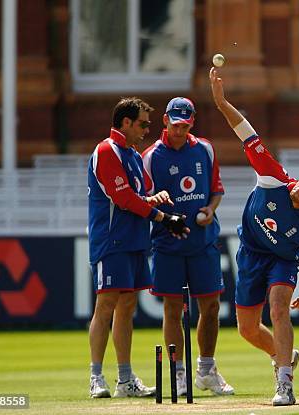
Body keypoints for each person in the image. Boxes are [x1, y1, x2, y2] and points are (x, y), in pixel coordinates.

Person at [209, 67, 299, 406]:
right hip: (250, 254)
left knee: (279, 309)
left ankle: (284, 383)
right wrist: (221, 102)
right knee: (247, 329)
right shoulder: (273, 177)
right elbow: (246, 133)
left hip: (282, 261)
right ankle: (284, 354)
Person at [87, 97, 188, 398]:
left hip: (134, 239)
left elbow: (142, 194)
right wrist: (161, 216)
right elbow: (124, 199)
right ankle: (95, 377)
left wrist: (158, 199)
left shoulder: (131, 154)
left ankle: (124, 379)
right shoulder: (107, 150)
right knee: (105, 305)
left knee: (127, 307)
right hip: (111, 239)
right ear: (126, 122)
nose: (147, 129)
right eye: (143, 123)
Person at [142, 97, 234, 396]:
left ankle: (206, 369)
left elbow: (216, 190)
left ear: (191, 122)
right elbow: (143, 201)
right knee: (172, 309)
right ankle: (178, 374)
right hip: (167, 244)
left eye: (185, 124)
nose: (180, 130)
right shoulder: (151, 156)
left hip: (203, 242)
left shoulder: (204, 149)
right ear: (165, 121)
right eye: (175, 124)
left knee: (210, 307)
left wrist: (209, 210)